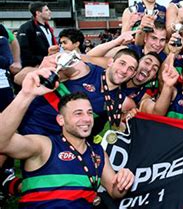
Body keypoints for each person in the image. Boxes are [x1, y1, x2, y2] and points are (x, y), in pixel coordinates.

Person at [0, 73, 134, 207]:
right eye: (78, 113)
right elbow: (2, 143)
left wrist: (123, 182)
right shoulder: (44, 145)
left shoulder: (98, 152)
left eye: (89, 112)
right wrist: (25, 94)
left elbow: (114, 191)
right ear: (61, 120)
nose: (87, 119)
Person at [17, 1, 57, 67]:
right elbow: (24, 50)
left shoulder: (48, 28)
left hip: (50, 63)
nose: (50, 12)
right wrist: (38, 60)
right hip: (35, 66)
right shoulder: (26, 28)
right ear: (38, 13)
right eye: (46, 10)